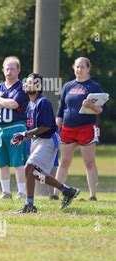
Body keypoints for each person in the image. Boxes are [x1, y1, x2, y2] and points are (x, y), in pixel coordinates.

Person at [12, 73, 80, 213]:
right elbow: (34, 130)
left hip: (48, 140)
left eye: (31, 82)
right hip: (38, 140)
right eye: (26, 82)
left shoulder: (43, 102)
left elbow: (46, 127)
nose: (26, 85)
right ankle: (67, 190)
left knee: (28, 168)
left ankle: (29, 205)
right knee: (35, 174)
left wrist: (25, 134)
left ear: (39, 86)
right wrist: (22, 138)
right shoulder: (30, 105)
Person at [50, 57, 107, 201]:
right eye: (77, 67)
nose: (79, 70)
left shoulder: (94, 87)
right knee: (64, 161)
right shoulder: (67, 86)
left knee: (89, 162)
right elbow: (61, 108)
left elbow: (101, 110)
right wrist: (58, 124)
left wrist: (91, 106)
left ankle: (93, 195)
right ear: (73, 68)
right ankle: (56, 194)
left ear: (88, 69)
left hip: (86, 128)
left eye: (82, 67)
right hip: (68, 129)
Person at [0, 56, 29, 200]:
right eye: (7, 68)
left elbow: (14, 104)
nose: (9, 71)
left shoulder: (22, 87)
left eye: (12, 68)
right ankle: (6, 192)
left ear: (18, 70)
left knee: (18, 162)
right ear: (3, 70)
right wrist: (2, 102)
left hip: (16, 127)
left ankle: (22, 192)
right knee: (2, 162)